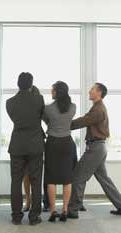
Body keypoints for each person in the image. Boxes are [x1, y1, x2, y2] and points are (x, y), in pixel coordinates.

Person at [67, 83, 121, 218]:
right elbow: (85, 119)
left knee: (77, 177)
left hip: (95, 149)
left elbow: (84, 121)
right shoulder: (97, 107)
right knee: (104, 179)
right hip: (99, 147)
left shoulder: (98, 109)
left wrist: (65, 124)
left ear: (99, 92)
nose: (89, 91)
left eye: (92, 89)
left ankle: (73, 210)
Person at [6, 72, 45, 226]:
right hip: (35, 146)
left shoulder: (10, 102)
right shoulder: (39, 99)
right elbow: (40, 117)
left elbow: (16, 119)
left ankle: (16, 217)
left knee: (15, 181)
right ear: (31, 84)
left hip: (17, 146)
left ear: (18, 84)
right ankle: (34, 218)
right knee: (36, 181)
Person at [43, 81, 77, 222]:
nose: (51, 92)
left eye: (52, 90)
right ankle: (64, 209)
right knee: (67, 179)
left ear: (57, 92)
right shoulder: (73, 107)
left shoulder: (48, 109)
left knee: (51, 179)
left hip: (53, 144)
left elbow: (46, 121)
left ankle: (52, 211)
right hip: (67, 143)